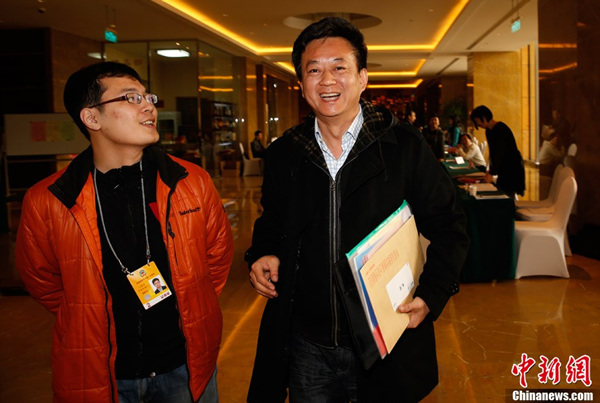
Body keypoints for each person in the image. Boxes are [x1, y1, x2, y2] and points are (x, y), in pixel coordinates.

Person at [245, 17, 469, 403]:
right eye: (314, 70)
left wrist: (432, 294)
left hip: (385, 339)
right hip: (307, 344)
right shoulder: (286, 153)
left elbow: (450, 226)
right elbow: (273, 220)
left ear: (362, 78)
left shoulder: (402, 145)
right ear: (302, 83)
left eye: (339, 67)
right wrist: (263, 251)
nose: (327, 81)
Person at [15, 61, 234, 402]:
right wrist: (86, 312)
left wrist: (194, 301)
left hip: (185, 366)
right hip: (101, 374)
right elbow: (42, 280)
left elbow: (215, 262)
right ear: (92, 118)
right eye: (131, 98)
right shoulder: (49, 199)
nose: (149, 106)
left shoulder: (191, 182)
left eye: (148, 96)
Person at [470, 105, 525, 198]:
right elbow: (493, 153)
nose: (477, 124)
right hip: (503, 168)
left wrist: (492, 172)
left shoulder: (501, 129)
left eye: (477, 121)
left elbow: (500, 152)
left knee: (507, 195)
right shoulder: (488, 131)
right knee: (501, 192)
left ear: (484, 117)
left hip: (511, 167)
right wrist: (491, 170)